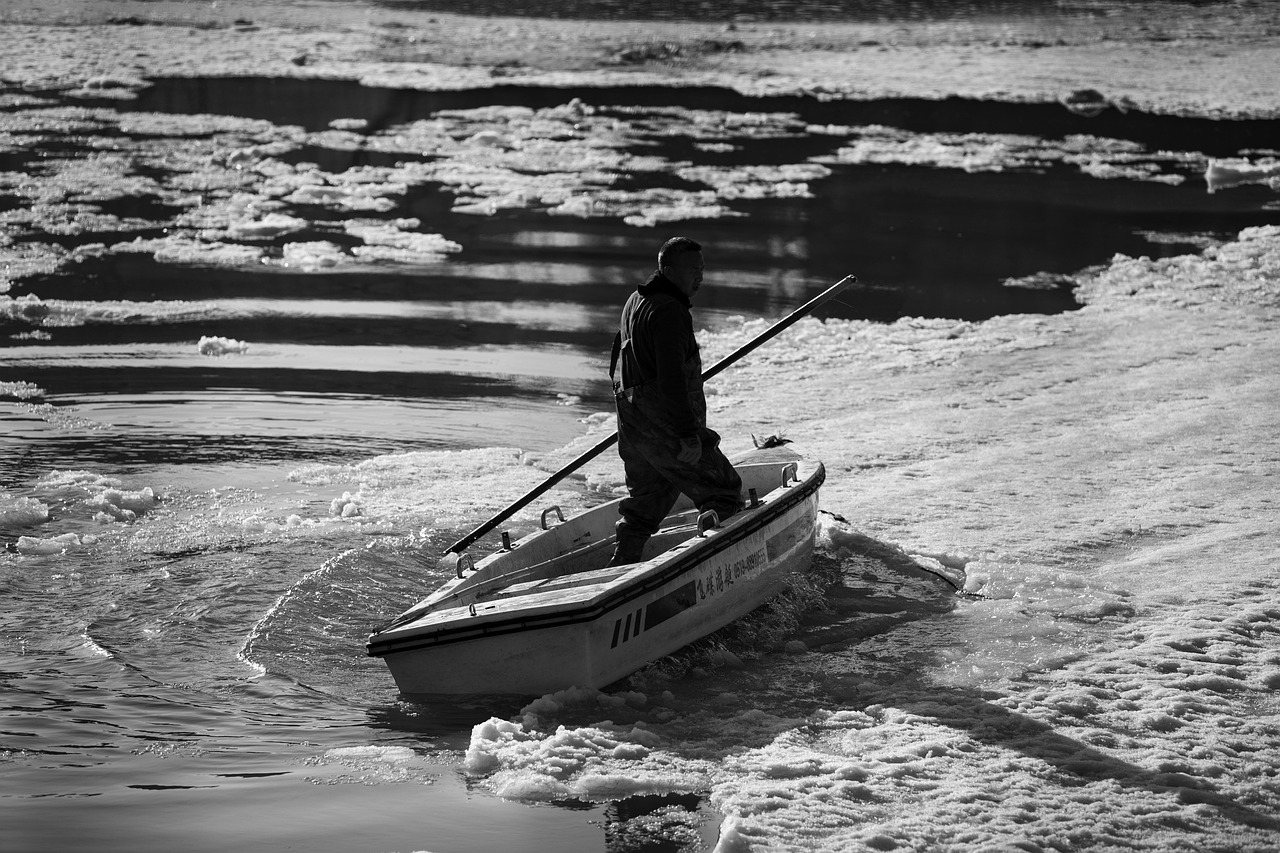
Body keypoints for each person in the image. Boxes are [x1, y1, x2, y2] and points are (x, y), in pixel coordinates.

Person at [608, 237, 744, 566]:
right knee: (722, 492)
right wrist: (687, 434)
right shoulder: (670, 311)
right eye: (692, 270)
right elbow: (671, 378)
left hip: (632, 421)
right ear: (668, 271)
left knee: (648, 500)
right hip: (665, 422)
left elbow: (614, 364)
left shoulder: (635, 301)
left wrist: (633, 414)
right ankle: (713, 569)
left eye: (702, 269)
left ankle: (622, 565)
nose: (699, 277)